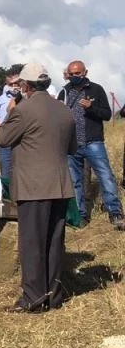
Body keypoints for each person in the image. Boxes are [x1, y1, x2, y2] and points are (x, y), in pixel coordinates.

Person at [0, 63, 77, 312]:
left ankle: (33, 298)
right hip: (60, 184)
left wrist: (12, 109)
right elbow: (72, 148)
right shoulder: (64, 110)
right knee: (54, 242)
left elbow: (3, 139)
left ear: (25, 85)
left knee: (32, 243)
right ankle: (53, 295)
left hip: (33, 186)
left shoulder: (23, 110)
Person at [57, 61, 124, 230]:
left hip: (93, 142)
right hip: (71, 145)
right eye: (71, 74)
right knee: (75, 181)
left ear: (85, 72)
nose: (74, 77)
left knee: (105, 176)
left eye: (77, 73)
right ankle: (80, 216)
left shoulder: (96, 89)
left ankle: (115, 212)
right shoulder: (64, 92)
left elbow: (107, 115)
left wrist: (91, 107)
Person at [0, 67, 23, 179]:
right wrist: (1, 132)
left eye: (17, 83)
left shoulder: (28, 98)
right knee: (6, 175)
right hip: (5, 142)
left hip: (22, 142)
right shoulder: (1, 99)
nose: (14, 86)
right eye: (11, 84)